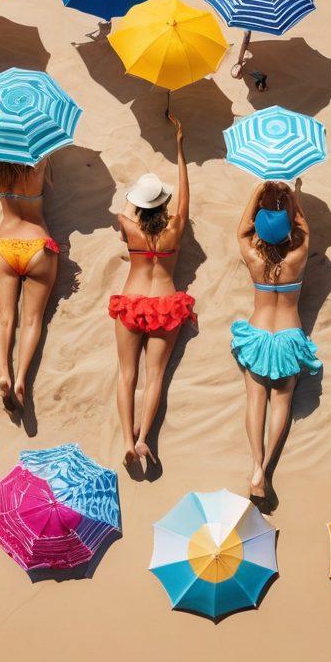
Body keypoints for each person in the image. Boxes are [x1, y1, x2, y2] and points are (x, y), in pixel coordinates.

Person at [109, 114, 194, 469]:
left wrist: (137, 199)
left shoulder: (130, 228)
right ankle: (144, 437)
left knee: (127, 374)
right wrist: (179, 147)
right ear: (163, 203)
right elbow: (185, 194)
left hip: (132, 303)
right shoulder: (175, 228)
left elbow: (126, 210)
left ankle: (127, 441)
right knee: (156, 374)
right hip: (164, 304)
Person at [233, 178, 320, 504]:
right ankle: (266, 469)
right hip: (287, 337)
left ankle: (256, 464)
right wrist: (292, 197)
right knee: (281, 402)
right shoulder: (296, 257)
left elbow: (242, 230)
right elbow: (304, 228)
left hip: (257, 336)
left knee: (255, 401)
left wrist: (259, 192)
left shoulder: (254, 258)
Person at [0, 157, 58, 409]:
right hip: (37, 243)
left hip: (4, 244)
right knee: (32, 319)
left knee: (5, 316)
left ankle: (3, 373)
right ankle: (21, 379)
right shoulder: (38, 164)